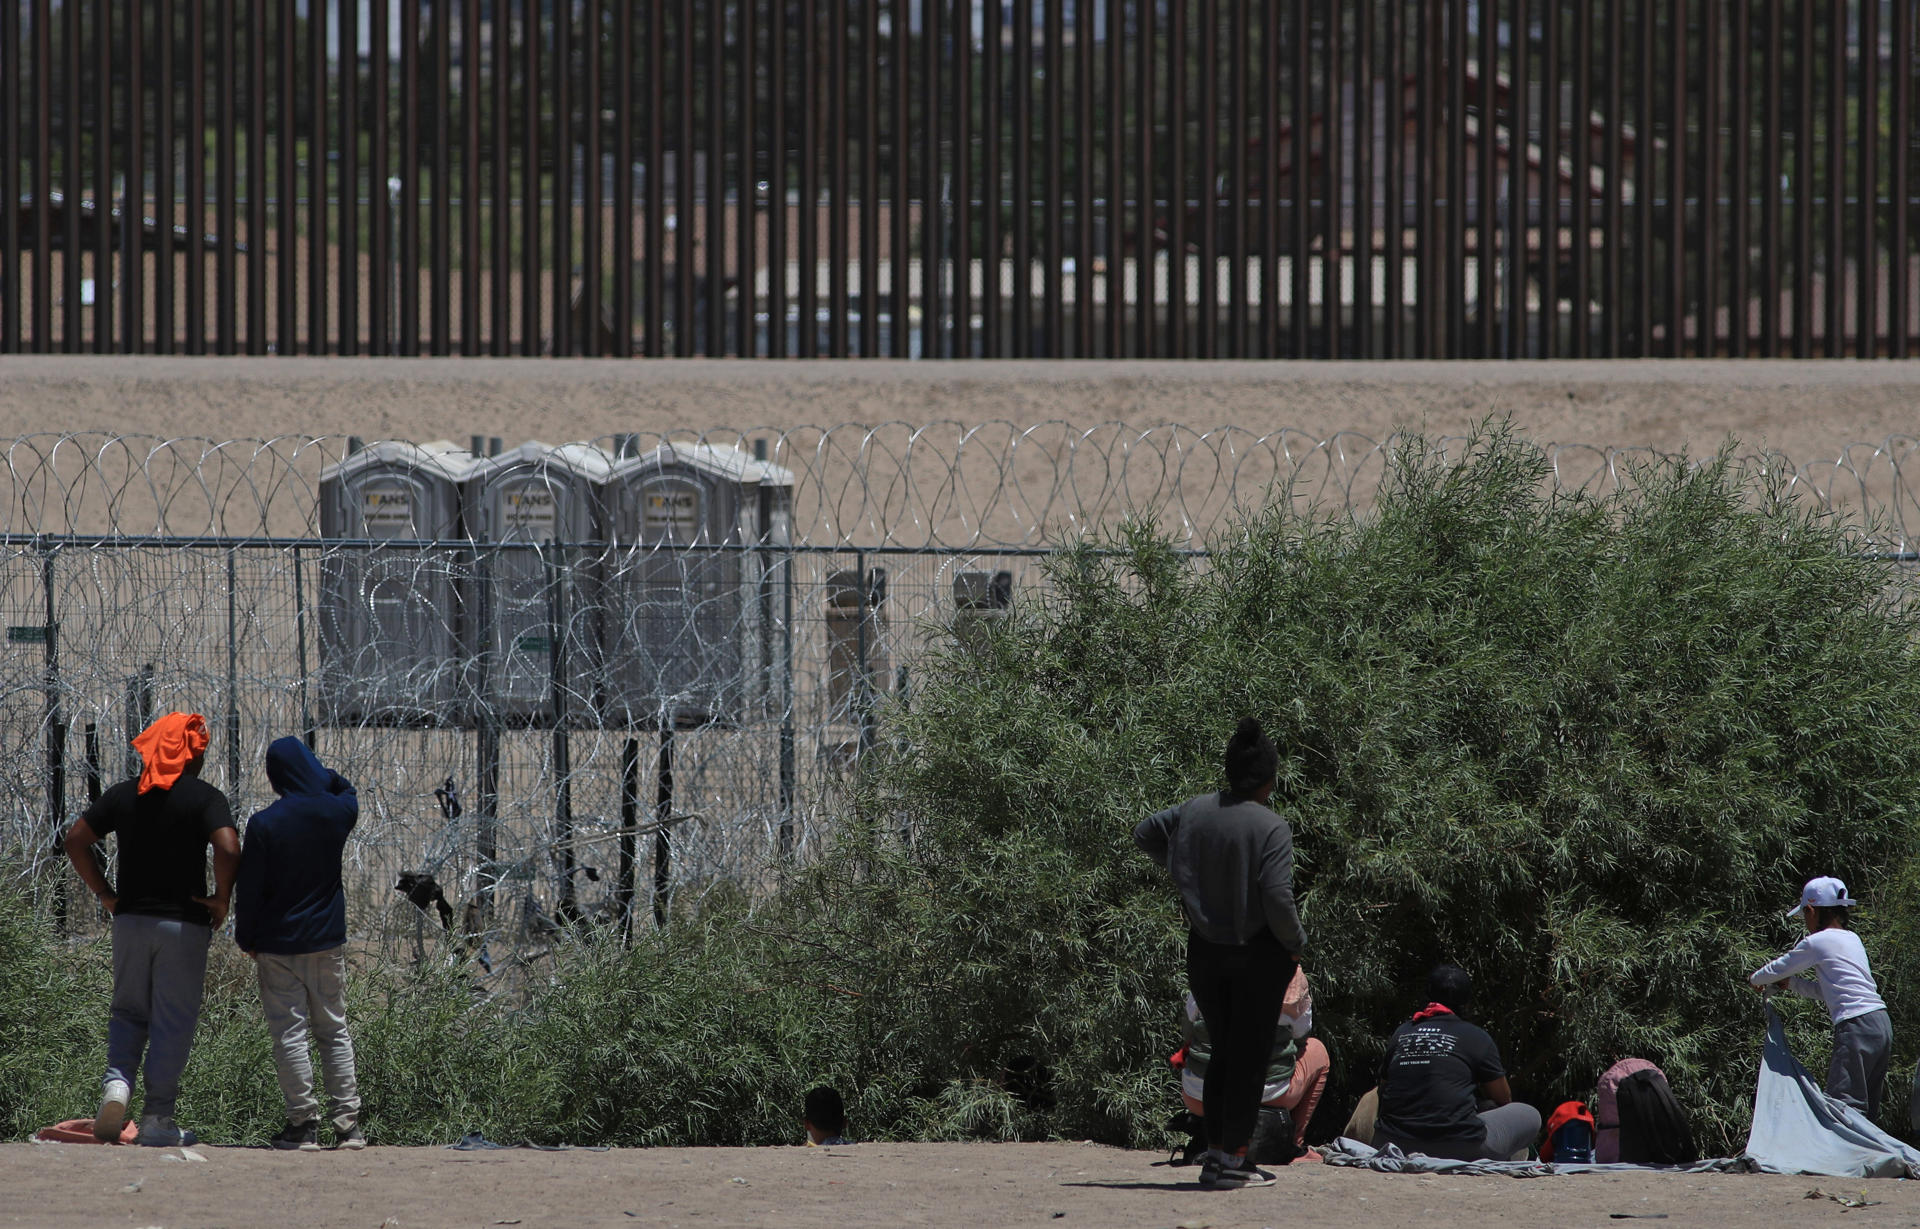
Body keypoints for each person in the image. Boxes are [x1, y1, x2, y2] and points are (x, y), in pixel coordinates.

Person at [1135, 717, 1305, 1189]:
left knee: (1223, 1051)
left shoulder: (1194, 811)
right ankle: (1232, 1163)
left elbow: (1146, 832)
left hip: (1205, 953)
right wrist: (1295, 944)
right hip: (1258, 957)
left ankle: (1215, 1155)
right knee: (1248, 1057)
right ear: (1271, 778)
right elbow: (1276, 897)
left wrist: (1185, 873)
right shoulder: (1271, 826)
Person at [62, 712, 238, 1148]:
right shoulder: (203, 797)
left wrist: (104, 893)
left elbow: (75, 840)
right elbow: (229, 844)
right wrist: (221, 896)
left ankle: (117, 1086)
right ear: (187, 753)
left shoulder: (124, 795)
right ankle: (158, 1118)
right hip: (183, 924)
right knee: (171, 1021)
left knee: (127, 1011)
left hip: (130, 921)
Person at [233, 737, 364, 1151]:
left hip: (277, 943)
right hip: (326, 941)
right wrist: (322, 774)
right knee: (334, 1029)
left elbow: (250, 888)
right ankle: (348, 1126)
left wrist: (246, 936)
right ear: (310, 767)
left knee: (289, 1033)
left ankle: (303, 1125)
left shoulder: (265, 823)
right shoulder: (337, 812)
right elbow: (347, 789)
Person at [1748, 876, 1891, 1118]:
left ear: (1812, 910)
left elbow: (1779, 967)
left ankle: (1842, 1155)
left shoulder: (1818, 941)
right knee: (1866, 1110)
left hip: (1855, 1026)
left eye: (1805, 914)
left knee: (1842, 1107)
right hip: (1880, 1024)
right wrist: (1792, 984)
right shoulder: (1852, 938)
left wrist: (1754, 980)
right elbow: (1828, 992)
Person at [1373, 964, 1541, 1162]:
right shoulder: (1476, 1036)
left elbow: (1382, 1091)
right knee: (1530, 1114)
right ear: (1466, 1002)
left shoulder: (1402, 1033)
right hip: (1460, 1147)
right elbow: (1503, 1098)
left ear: (1427, 997)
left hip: (1392, 1143)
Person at [1175, 966, 1330, 1163]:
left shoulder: (1212, 963)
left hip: (1198, 1097)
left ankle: (1209, 1141)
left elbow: (1188, 1032)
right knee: (1317, 1050)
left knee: (1193, 1052)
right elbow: (1300, 1038)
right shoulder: (1291, 976)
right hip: (1269, 1095)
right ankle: (1294, 1146)